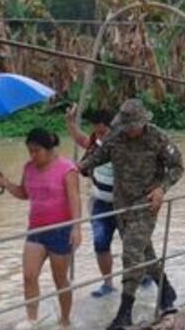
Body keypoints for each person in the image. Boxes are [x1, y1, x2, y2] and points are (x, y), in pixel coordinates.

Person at [78, 99, 183, 330]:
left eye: (133, 126)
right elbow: (97, 157)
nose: (129, 130)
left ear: (143, 122)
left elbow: (177, 166)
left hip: (146, 204)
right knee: (144, 252)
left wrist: (161, 189)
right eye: (126, 126)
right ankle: (166, 290)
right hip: (122, 205)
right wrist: (78, 167)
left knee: (131, 254)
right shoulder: (115, 136)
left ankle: (125, 312)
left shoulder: (158, 138)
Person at [0, 128, 82, 330]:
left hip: (61, 229)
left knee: (60, 279)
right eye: (30, 151)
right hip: (36, 229)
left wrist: (76, 228)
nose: (32, 156)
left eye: (36, 151)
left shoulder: (67, 169)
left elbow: (75, 200)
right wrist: (6, 184)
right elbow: (24, 193)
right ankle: (32, 319)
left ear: (49, 149)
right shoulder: (29, 168)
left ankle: (65, 320)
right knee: (29, 275)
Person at [65, 105, 155, 298]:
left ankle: (143, 273)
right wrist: (71, 123)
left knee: (133, 242)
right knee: (100, 242)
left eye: (103, 132)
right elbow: (80, 138)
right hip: (100, 202)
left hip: (126, 203)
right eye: (97, 132)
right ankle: (107, 283)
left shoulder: (126, 144)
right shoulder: (94, 144)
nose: (100, 136)